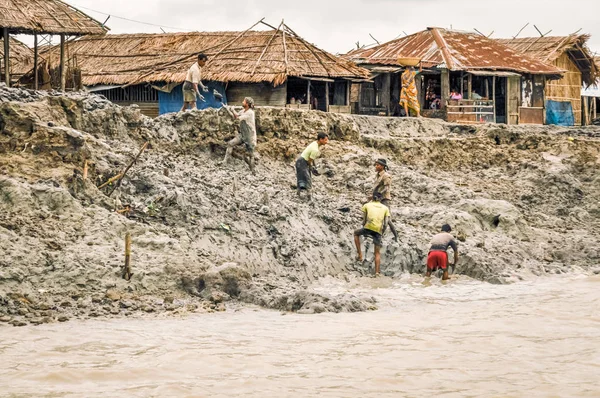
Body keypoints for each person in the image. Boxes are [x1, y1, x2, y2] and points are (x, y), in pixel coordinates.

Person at [354, 192, 390, 275]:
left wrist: (364, 226)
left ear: (372, 198)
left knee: (356, 233)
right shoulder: (385, 208)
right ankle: (377, 272)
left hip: (368, 227)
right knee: (377, 252)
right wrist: (382, 232)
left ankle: (359, 255)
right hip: (378, 230)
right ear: (381, 199)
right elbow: (386, 222)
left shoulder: (367, 205)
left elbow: (364, 219)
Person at [223, 97, 257, 173]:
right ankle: (224, 162)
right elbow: (234, 115)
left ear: (247, 104)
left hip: (250, 136)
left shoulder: (250, 113)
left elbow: (237, 118)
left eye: (243, 102)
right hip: (243, 134)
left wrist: (232, 109)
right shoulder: (243, 111)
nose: (242, 102)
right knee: (230, 143)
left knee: (250, 155)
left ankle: (253, 170)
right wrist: (229, 109)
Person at [295, 132, 329, 200]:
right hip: (302, 162)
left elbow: (311, 158)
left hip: (300, 161)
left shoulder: (314, 143)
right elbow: (310, 160)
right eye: (325, 140)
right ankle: (309, 197)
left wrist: (313, 166)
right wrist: (311, 167)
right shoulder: (315, 149)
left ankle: (298, 194)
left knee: (302, 177)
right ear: (320, 139)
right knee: (308, 179)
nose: (326, 142)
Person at [372, 158, 399, 242]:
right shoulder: (378, 175)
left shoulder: (386, 176)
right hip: (377, 198)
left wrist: (379, 194)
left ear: (383, 166)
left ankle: (384, 235)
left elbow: (386, 187)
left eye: (378, 165)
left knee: (387, 219)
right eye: (376, 165)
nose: (376, 166)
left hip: (384, 199)